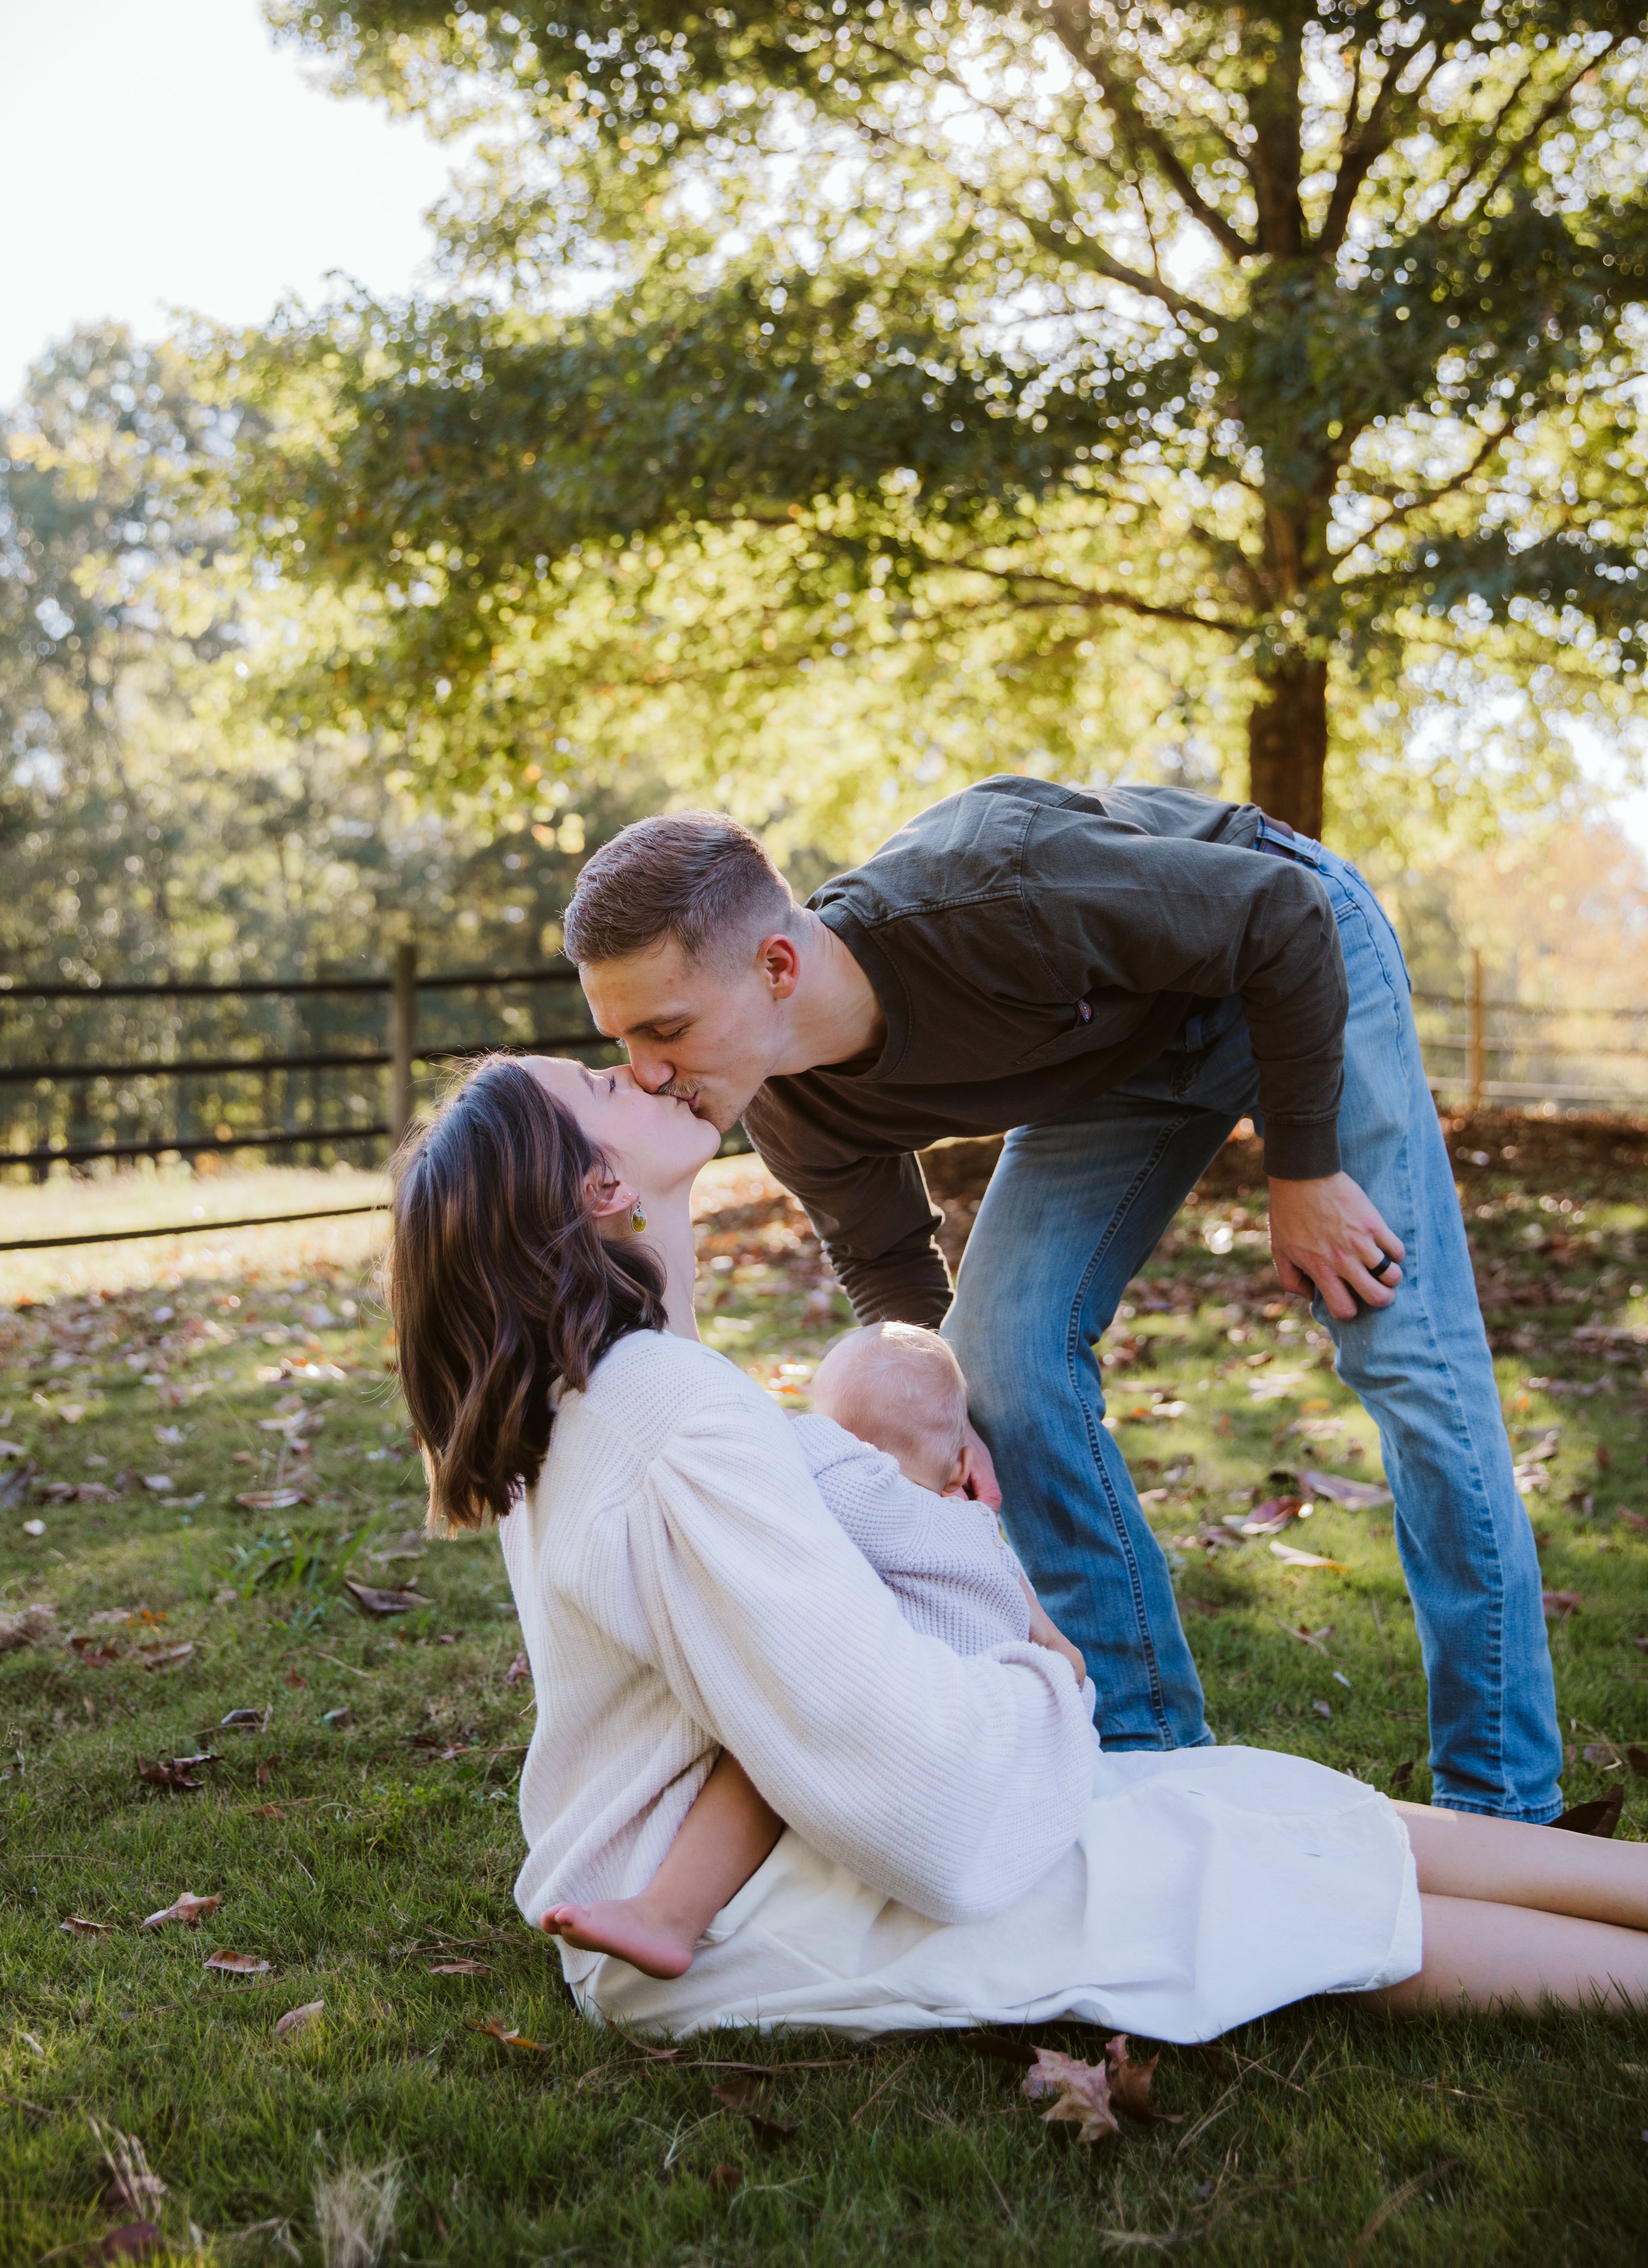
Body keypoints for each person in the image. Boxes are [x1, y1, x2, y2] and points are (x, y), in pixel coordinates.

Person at [385, 1051, 1648, 2041]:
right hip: (752, 1922)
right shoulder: (664, 1417)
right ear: (600, 1190)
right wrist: (1044, 1666)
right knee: (1249, 1886)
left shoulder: (602, 1397)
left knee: (1259, 1797)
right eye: (609, 1085)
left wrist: (917, 1522)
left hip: (742, 1861)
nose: (646, 1067)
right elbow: (931, 1798)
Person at [562, 784, 1565, 1825]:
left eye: (665, 1028)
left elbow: (1280, 916)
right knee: (997, 1354)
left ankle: (1506, 1802)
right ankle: (1149, 1759)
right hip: (1112, 1062)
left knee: (1407, 1351)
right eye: (622, 1039)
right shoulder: (782, 1099)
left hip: (1288, 956)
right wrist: (939, 1436)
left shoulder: (995, 899)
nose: (647, 1073)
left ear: (778, 966)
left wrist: (1304, 1170)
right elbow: (900, 1283)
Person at [536, 1323, 1090, 1978]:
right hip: (982, 1727)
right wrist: (1062, 1693)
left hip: (906, 1729)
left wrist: (800, 1427)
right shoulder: (984, 1543)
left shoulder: (862, 1491)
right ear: (966, 1468)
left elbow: (782, 1461)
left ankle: (668, 1913)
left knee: (767, 1743)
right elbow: (1059, 1652)